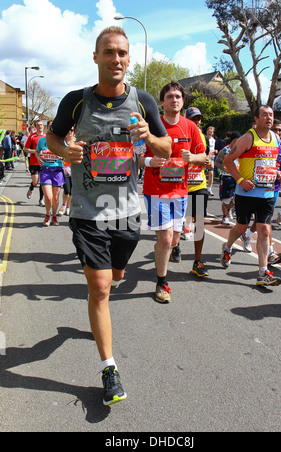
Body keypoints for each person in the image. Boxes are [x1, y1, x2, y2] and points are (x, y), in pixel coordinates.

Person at [46, 26, 171, 406]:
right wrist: (65, 151)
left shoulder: (143, 100)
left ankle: (114, 278)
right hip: (88, 212)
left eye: (122, 53)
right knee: (99, 288)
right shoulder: (76, 101)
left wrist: (149, 135)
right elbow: (53, 138)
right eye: (109, 52)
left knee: (116, 276)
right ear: (96, 57)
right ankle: (109, 369)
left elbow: (165, 149)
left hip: (128, 213)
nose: (116, 59)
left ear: (128, 60)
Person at [142, 84, 207, 303]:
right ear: (162, 102)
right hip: (156, 191)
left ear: (183, 101)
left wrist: (193, 158)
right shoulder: (152, 125)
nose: (174, 100)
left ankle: (165, 246)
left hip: (180, 191)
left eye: (178, 96)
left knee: (174, 239)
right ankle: (162, 283)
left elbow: (205, 158)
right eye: (169, 96)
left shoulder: (190, 127)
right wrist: (150, 160)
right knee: (166, 236)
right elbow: (135, 157)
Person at [220, 105, 281, 287]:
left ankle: (263, 272)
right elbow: (227, 160)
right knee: (241, 227)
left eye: (271, 115)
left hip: (267, 192)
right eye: (264, 115)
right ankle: (227, 246)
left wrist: (277, 173)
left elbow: (271, 162)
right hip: (246, 193)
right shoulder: (247, 138)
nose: (269, 118)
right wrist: (240, 180)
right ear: (256, 119)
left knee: (264, 230)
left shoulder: (276, 138)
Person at [242, 119, 281, 261]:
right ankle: (247, 235)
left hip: (273, 188)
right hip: (253, 187)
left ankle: (267, 251)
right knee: (261, 221)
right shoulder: (261, 142)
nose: (277, 132)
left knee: (266, 221)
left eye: (279, 130)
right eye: (275, 129)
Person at [183, 106, 212, 277]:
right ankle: (176, 246)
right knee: (179, 223)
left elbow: (206, 158)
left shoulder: (203, 137)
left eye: (199, 119)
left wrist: (208, 163)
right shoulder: (179, 135)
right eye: (194, 119)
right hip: (181, 186)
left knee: (199, 222)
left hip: (199, 184)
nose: (197, 122)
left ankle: (197, 260)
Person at [36, 128, 65, 227]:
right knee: (48, 197)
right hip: (45, 170)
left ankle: (54, 216)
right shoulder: (42, 140)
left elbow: (66, 152)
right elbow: (36, 151)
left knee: (55, 197)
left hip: (57, 170)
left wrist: (63, 156)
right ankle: (47, 214)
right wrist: (38, 158)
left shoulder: (61, 140)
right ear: (48, 130)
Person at [215, 131, 241, 225]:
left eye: (238, 141)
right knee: (226, 198)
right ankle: (225, 217)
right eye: (235, 141)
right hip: (227, 177)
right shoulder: (225, 150)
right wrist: (224, 168)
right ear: (231, 141)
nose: (236, 143)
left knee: (236, 199)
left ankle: (229, 208)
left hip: (238, 177)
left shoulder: (241, 150)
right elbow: (217, 162)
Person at [24, 119, 46, 205]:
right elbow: (25, 149)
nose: (40, 126)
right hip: (33, 162)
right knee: (35, 182)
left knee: (43, 182)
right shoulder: (32, 136)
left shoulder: (46, 136)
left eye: (41, 125)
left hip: (44, 162)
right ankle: (31, 188)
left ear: (43, 126)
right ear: (35, 127)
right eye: (38, 125)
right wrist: (36, 151)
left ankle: (41, 200)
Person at [58, 128, 75, 217]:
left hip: (74, 169)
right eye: (68, 130)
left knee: (72, 191)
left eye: (72, 130)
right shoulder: (62, 141)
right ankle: (63, 205)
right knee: (67, 190)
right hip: (64, 168)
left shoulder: (76, 141)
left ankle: (69, 207)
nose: (70, 132)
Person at [206, 126, 216, 196]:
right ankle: (203, 187)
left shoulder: (214, 140)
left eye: (211, 132)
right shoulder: (203, 138)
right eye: (209, 131)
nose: (210, 133)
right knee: (202, 173)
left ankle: (209, 189)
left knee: (211, 173)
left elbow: (215, 148)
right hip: (204, 157)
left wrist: (215, 150)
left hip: (211, 158)